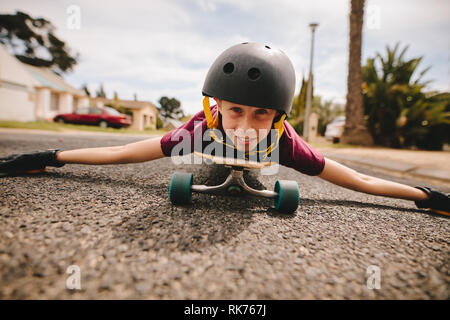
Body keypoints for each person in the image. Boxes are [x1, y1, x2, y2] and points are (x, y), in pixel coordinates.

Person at [1, 42, 448, 215]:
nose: (247, 126)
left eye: (261, 114)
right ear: (215, 106)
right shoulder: (201, 127)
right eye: (236, 111)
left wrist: (428, 197)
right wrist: (49, 157)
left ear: (279, 116)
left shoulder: (285, 142)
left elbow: (359, 179)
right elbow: (125, 153)